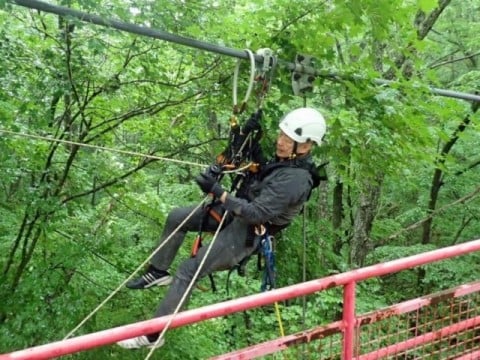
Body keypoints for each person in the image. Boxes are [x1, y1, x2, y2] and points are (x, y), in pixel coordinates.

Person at [117, 107, 326, 349]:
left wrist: (218, 192)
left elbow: (256, 213)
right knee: (178, 217)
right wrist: (248, 137)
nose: (280, 142)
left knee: (188, 270)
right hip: (236, 212)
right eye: (280, 136)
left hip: (247, 231)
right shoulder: (284, 164)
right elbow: (261, 170)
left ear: (306, 145)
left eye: (288, 140)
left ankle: (154, 335)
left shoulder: (296, 180)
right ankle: (158, 271)